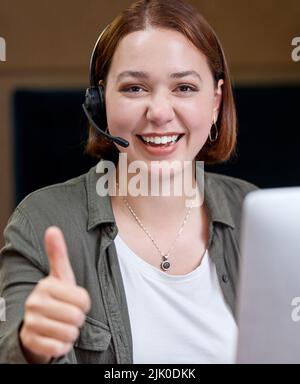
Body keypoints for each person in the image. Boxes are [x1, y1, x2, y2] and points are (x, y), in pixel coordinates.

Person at [0, 0, 258, 364]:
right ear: (101, 101)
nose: (160, 113)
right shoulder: (42, 220)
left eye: (184, 87)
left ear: (215, 101)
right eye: (135, 88)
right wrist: (32, 346)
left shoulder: (256, 214)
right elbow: (11, 346)